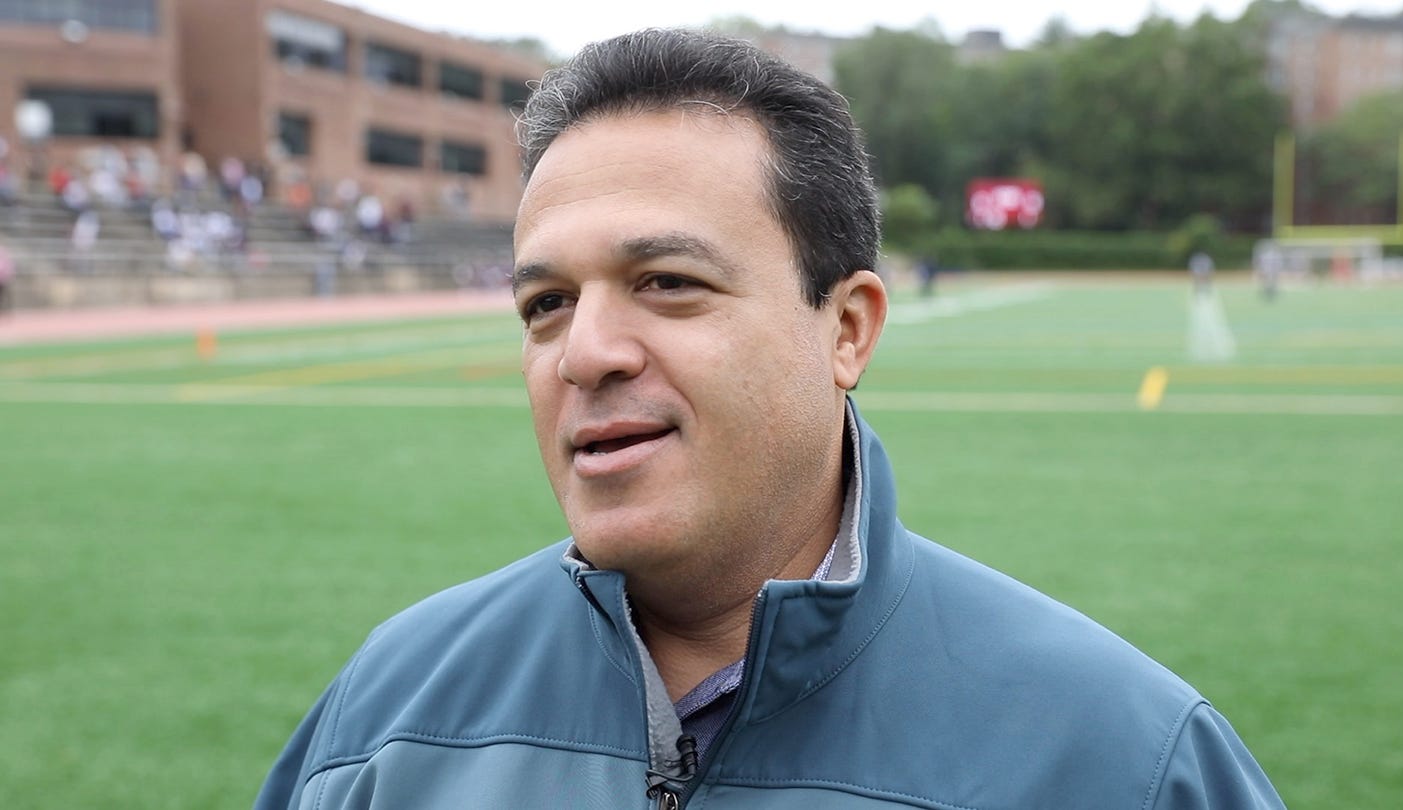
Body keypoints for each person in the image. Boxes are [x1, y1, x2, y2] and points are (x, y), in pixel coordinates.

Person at [257, 29, 1284, 809]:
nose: (583, 353)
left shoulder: (1122, 758)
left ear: (846, 329)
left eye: (666, 281)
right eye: (546, 304)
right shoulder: (386, 719)